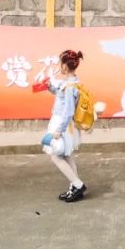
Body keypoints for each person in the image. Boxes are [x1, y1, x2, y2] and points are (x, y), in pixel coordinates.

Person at [45, 49, 87, 202]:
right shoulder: (72, 82)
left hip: (63, 124)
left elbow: (68, 111)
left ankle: (78, 185)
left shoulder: (70, 86)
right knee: (66, 155)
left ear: (64, 66)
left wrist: (59, 130)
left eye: (60, 63)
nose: (59, 66)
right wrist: (50, 87)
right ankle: (74, 188)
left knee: (56, 156)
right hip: (65, 123)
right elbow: (60, 95)